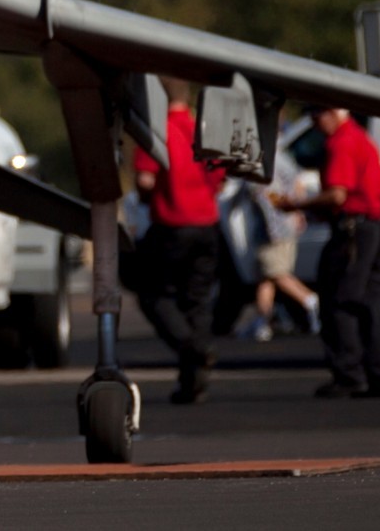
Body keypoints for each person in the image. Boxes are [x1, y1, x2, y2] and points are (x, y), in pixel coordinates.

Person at [283, 106, 380, 398]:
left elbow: (337, 193)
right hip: (373, 227)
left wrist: (298, 204)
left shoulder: (341, 143)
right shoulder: (360, 138)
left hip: (353, 231)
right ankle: (379, 372)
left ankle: (348, 372)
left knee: (340, 300)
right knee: (370, 301)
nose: (316, 125)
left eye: (317, 117)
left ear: (332, 113)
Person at [130, 87, 225, 404]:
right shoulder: (203, 127)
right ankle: (193, 381)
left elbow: (144, 179)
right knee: (195, 302)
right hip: (208, 223)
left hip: (172, 224)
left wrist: (149, 196)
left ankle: (192, 349)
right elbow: (220, 177)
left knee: (155, 295)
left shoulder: (158, 128)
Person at [242, 160, 320, 341]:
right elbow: (298, 183)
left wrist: (275, 229)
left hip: (274, 229)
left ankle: (309, 300)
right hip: (282, 226)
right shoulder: (283, 160)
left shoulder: (261, 162)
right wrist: (298, 212)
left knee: (276, 272)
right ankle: (262, 322)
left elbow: (265, 200)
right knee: (265, 277)